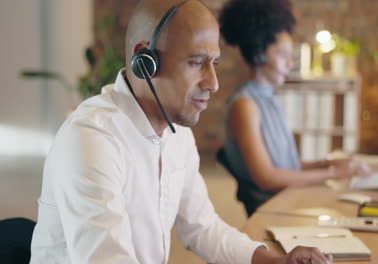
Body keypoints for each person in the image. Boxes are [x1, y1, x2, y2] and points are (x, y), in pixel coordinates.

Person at [30, 0, 333, 263]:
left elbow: (203, 229)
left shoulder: (176, 134)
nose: (213, 82)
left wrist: (274, 261)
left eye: (213, 62)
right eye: (197, 62)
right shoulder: (93, 139)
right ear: (145, 62)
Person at [219, 0, 371, 216]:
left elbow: (285, 164)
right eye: (283, 55)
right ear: (259, 55)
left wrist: (327, 163)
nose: (290, 63)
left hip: (289, 198)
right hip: (275, 209)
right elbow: (267, 178)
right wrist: (332, 173)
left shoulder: (269, 100)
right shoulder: (245, 106)